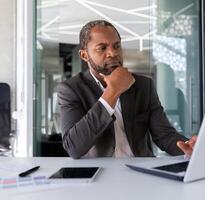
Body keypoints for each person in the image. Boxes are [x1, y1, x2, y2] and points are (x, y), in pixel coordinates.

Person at [57, 20, 197, 159]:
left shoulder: (143, 85)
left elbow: (164, 135)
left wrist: (187, 146)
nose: (112, 53)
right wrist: (112, 91)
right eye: (102, 48)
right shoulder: (71, 89)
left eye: (117, 46)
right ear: (84, 55)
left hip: (140, 171)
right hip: (99, 173)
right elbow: (73, 147)